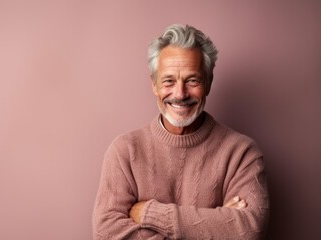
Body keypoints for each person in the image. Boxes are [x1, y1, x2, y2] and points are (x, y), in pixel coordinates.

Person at [93, 24, 269, 239]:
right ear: (154, 85)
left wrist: (150, 213)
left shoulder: (242, 153)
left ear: (209, 83)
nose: (180, 93)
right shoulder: (124, 151)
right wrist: (216, 226)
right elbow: (105, 233)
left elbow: (250, 230)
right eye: (168, 81)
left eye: (192, 80)